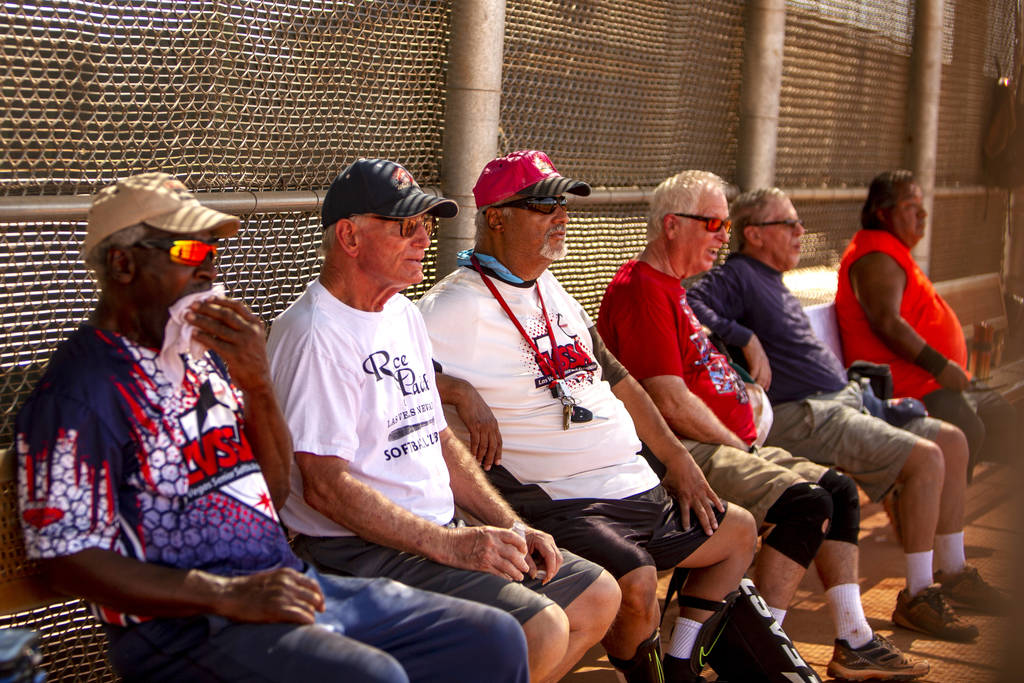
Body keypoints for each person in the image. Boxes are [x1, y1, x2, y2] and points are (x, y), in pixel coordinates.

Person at [16, 172, 530, 683]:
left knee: (493, 639)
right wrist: (225, 594)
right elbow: (64, 560)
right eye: (190, 255)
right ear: (123, 264)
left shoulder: (200, 361)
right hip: (183, 626)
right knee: (374, 676)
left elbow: (275, 490)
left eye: (213, 253)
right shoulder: (79, 390)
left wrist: (258, 386)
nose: (209, 272)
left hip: (280, 584)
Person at [266, 158, 619, 683]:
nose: (424, 239)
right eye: (406, 226)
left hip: (433, 532)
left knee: (595, 594)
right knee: (539, 627)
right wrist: (449, 544)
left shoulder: (401, 313)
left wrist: (507, 522)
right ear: (349, 236)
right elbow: (324, 487)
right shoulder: (316, 333)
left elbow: (437, 436)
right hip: (358, 552)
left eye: (427, 225)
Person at [418, 150, 761, 683]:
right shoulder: (448, 307)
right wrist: (456, 388)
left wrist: (678, 462)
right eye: (543, 204)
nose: (561, 216)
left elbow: (621, 382)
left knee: (738, 533)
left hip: (635, 482)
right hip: (564, 498)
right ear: (495, 216)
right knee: (639, 583)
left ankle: (681, 660)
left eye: (564, 204)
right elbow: (391, 379)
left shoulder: (555, 291)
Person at [598, 170, 929, 680]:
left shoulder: (673, 286)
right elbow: (667, 399)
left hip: (724, 440)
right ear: (670, 225)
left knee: (837, 491)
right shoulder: (641, 289)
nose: (722, 236)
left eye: (726, 226)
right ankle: (757, 650)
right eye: (712, 223)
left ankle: (849, 636)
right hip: (682, 451)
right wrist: (738, 439)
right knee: (805, 504)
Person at [687, 184, 1003, 642]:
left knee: (952, 440)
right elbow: (691, 305)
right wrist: (746, 338)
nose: (800, 231)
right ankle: (917, 593)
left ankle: (952, 568)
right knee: (927, 457)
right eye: (788, 223)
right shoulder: (737, 274)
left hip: (848, 400)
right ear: (754, 234)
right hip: (807, 413)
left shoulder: (771, 277)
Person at [835, 169, 1017, 473]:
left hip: (938, 380)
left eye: (921, 205)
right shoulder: (875, 256)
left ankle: (951, 502)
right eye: (910, 206)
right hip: (912, 388)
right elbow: (887, 323)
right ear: (882, 213)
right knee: (967, 436)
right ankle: (943, 517)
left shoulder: (891, 250)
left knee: (1009, 428)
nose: (923, 213)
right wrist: (940, 366)